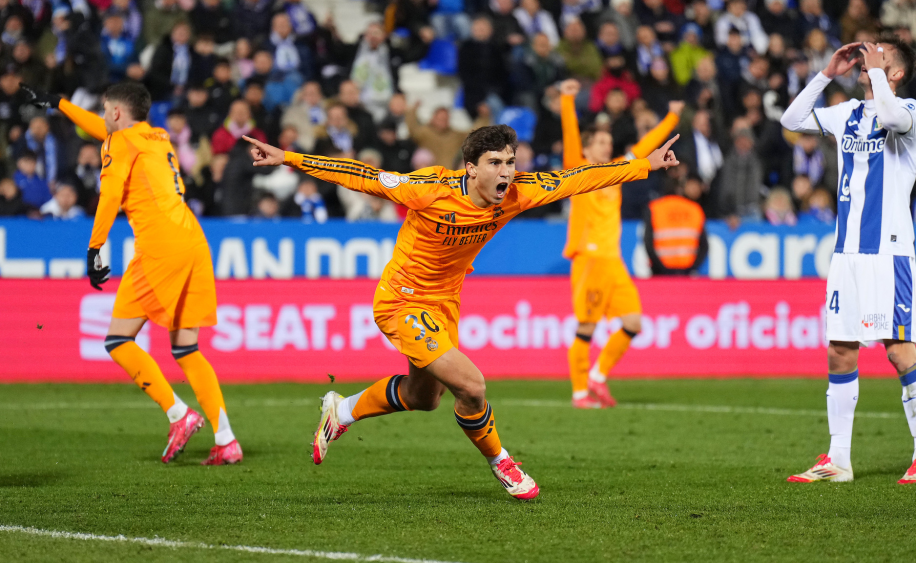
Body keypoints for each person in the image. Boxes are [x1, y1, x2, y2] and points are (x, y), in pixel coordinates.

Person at [242, 120, 681, 500]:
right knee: (472, 386)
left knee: (423, 398)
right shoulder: (429, 187)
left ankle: (341, 410)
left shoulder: (519, 193)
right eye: (495, 163)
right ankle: (503, 463)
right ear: (471, 169)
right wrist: (288, 157)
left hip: (444, 302)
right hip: (402, 300)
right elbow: (363, 175)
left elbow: (579, 177)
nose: (506, 172)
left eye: (510, 162)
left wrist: (643, 165)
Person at [20, 82, 242, 465]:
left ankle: (179, 414)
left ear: (117, 112)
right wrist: (59, 104)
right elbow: (102, 128)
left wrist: (94, 248)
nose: (104, 117)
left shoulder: (121, 143)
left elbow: (109, 195)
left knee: (117, 340)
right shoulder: (156, 136)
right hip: (192, 240)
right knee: (187, 348)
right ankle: (226, 440)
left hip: (159, 246)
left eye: (106, 110)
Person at [780, 36, 916, 484]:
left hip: (889, 253)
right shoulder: (847, 112)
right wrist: (826, 73)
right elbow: (791, 119)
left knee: (899, 350)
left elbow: (887, 113)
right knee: (840, 352)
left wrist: (879, 77)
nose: (867, 57)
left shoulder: (908, 111)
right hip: (846, 254)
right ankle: (838, 460)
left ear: (897, 72)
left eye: (879, 54)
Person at [560, 78, 682, 408]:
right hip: (589, 258)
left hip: (613, 261)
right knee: (586, 327)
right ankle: (580, 393)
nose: (605, 145)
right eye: (599, 141)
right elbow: (570, 140)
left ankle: (598, 377)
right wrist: (568, 101)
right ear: (586, 149)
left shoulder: (615, 172)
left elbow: (644, 149)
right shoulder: (578, 172)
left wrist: (671, 118)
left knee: (633, 323)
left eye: (607, 140)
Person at [644, 176, 708, 276]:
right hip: (686, 270)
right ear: (680, 189)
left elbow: (648, 242)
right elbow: (704, 245)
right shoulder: (694, 209)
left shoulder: (654, 208)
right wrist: (692, 267)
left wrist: (660, 268)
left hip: (661, 272)